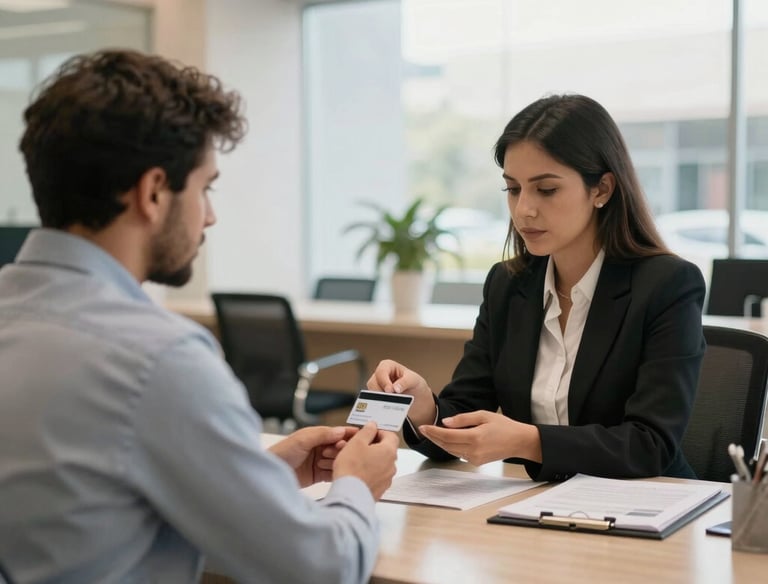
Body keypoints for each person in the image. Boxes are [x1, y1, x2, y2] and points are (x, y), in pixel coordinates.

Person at [0, 49, 398, 584]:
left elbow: (85, 501)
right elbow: (319, 569)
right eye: (205, 187)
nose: (210, 215)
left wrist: (260, 475)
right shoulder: (157, 359)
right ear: (154, 192)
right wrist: (356, 486)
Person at [368, 94, 706, 482]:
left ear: (602, 190)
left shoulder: (667, 285)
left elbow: (650, 446)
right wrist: (423, 406)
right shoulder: (507, 286)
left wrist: (528, 441)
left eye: (545, 190)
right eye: (513, 189)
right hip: (539, 508)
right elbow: (462, 415)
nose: (524, 209)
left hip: (647, 510)